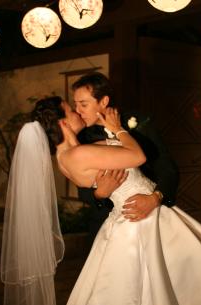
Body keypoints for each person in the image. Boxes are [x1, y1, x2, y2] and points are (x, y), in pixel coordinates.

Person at [7, 96, 201, 305]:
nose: (77, 112)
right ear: (63, 123)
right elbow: (137, 157)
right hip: (139, 221)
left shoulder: (68, 156)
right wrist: (118, 129)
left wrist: (111, 133)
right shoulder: (78, 154)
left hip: (132, 216)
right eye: (71, 110)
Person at [73, 72, 179, 238]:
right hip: (108, 226)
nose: (77, 111)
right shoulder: (82, 138)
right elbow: (82, 191)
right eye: (75, 105)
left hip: (152, 217)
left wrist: (155, 198)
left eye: (83, 104)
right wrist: (99, 194)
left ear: (104, 101)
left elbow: (166, 167)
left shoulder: (137, 122)